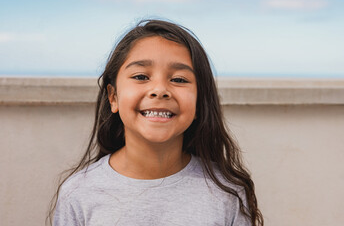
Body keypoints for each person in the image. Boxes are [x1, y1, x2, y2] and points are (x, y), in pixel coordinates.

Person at [48, 19, 263, 226]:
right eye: (141, 76)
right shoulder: (78, 194)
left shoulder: (228, 193)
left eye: (179, 79)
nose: (159, 90)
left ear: (200, 102)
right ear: (113, 97)